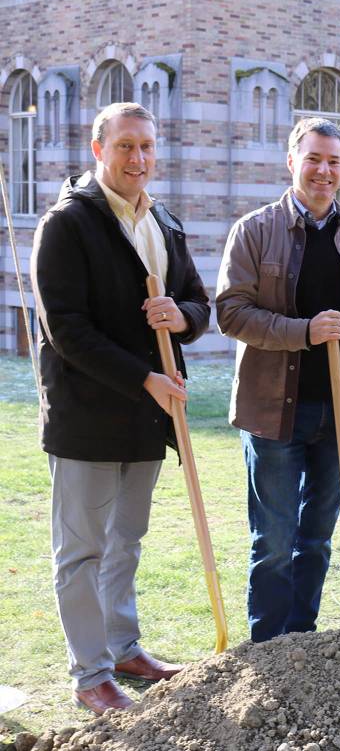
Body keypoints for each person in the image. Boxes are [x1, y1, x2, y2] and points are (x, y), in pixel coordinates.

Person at [30, 102, 210, 714]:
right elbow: (66, 331)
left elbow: (198, 304)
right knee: (82, 551)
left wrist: (182, 317)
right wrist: (144, 378)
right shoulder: (67, 225)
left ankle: (122, 646)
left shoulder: (163, 221)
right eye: (126, 146)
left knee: (126, 541)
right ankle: (90, 677)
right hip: (86, 416)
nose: (139, 159)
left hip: (146, 416)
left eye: (147, 148)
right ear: (98, 149)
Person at [216, 118, 340, 642]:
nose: (324, 171)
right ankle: (265, 650)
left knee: (316, 538)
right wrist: (305, 332)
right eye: (313, 159)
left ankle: (303, 644)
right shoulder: (254, 230)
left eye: (333, 161)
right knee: (273, 540)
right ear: (292, 161)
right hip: (273, 412)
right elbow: (231, 313)